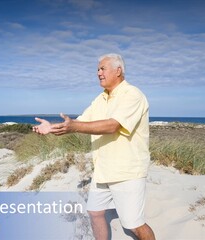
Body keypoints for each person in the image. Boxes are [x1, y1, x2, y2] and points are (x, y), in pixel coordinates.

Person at [32, 53, 155, 240]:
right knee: (95, 212)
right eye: (97, 69)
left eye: (103, 68)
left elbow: (113, 125)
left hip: (127, 171)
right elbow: (79, 122)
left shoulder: (133, 95)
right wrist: (52, 128)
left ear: (118, 70)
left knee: (134, 224)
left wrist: (73, 126)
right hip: (103, 170)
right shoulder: (100, 99)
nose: (98, 73)